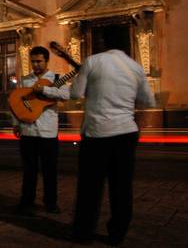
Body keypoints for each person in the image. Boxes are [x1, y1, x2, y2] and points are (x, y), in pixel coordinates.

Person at [69, 26, 156, 245]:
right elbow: (147, 101)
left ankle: (84, 232)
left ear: (103, 41)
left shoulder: (93, 61)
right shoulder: (135, 67)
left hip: (97, 133)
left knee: (90, 187)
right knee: (122, 187)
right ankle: (117, 233)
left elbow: (75, 93)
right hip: (126, 134)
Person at [13, 46, 70, 214]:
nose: (35, 65)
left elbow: (67, 95)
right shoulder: (25, 80)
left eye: (39, 61)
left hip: (48, 133)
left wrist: (44, 90)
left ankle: (50, 203)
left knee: (49, 171)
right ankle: (26, 201)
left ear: (46, 61)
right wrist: (16, 123)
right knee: (29, 170)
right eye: (33, 61)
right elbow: (16, 102)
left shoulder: (57, 78)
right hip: (28, 131)